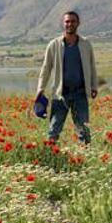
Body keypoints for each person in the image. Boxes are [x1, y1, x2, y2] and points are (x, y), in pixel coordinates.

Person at [37, 11, 98, 144]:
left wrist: (94, 86)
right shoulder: (54, 45)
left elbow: (92, 66)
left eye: (73, 21)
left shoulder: (85, 44)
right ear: (63, 24)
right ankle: (51, 158)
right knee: (54, 130)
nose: (70, 24)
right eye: (67, 21)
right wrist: (40, 89)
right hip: (60, 94)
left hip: (80, 93)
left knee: (84, 131)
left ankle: (84, 159)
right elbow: (46, 68)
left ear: (78, 23)